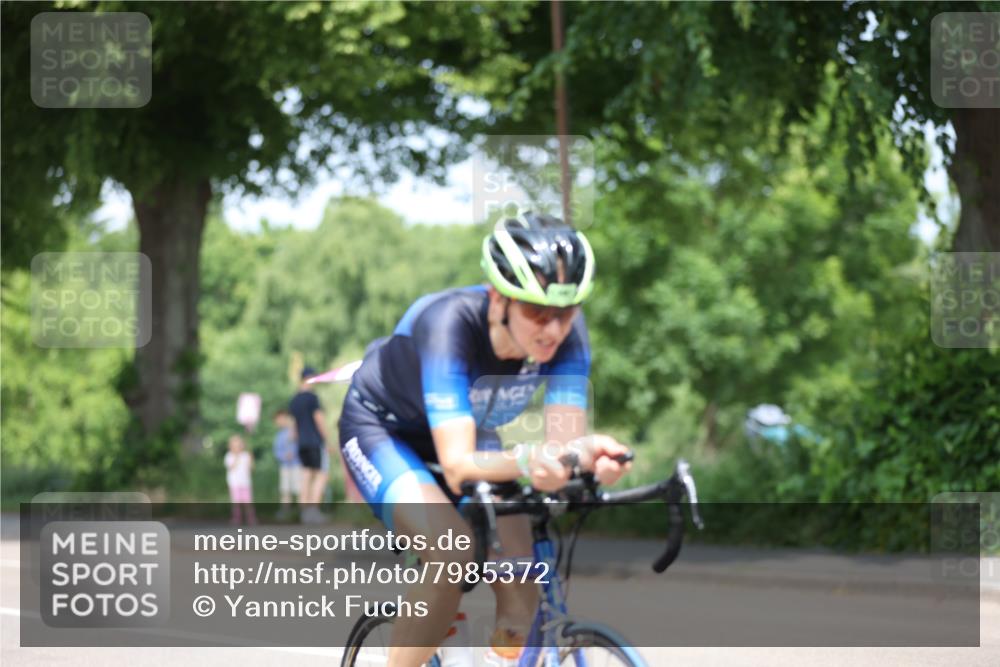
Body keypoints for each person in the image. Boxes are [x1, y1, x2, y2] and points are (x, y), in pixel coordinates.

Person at [338, 212, 632, 667]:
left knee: (521, 576)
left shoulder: (569, 338)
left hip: (471, 433)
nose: (553, 329)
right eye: (536, 311)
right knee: (450, 548)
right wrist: (533, 459)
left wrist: (587, 459)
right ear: (498, 300)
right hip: (385, 430)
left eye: (566, 312)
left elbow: (561, 449)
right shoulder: (448, 324)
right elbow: (458, 465)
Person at [290, 367, 330, 524]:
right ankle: (314, 511)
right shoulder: (312, 398)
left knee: (306, 476)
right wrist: (327, 439)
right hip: (314, 441)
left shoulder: (294, 400)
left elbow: (293, 427)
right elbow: (318, 419)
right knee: (321, 475)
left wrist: (296, 441)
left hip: (301, 443)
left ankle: (304, 513)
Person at [272, 409, 300, 518]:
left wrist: (294, 453)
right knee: (285, 490)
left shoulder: (294, 432)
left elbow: (300, 447)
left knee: (299, 489)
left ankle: (300, 512)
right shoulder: (279, 436)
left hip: (297, 464)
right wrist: (283, 456)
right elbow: (277, 451)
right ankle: (285, 512)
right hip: (285, 466)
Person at [224, 434, 256, 526]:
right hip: (234, 484)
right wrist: (237, 457)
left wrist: (251, 459)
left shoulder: (246, 455)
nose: (237, 448)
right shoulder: (229, 456)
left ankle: (251, 518)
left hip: (245, 483)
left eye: (239, 446)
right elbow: (231, 467)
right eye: (235, 446)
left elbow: (251, 468)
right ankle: (237, 519)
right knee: (236, 503)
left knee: (248, 502)